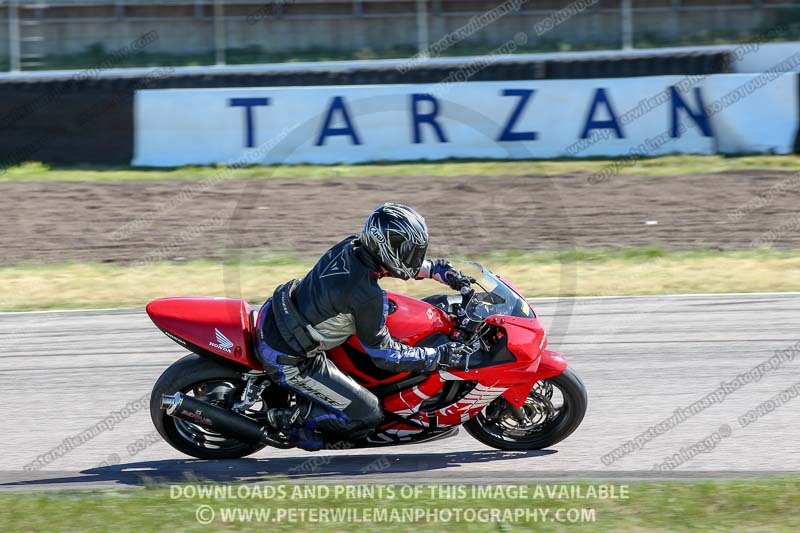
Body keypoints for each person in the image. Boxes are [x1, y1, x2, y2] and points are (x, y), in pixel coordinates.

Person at [255, 203, 468, 450]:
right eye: (408, 251)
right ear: (385, 246)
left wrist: (436, 271)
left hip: (280, 313)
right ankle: (291, 419)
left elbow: (392, 264)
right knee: (367, 414)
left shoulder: (353, 246)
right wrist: (436, 355)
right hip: (291, 357)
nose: (413, 258)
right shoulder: (367, 296)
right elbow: (385, 356)